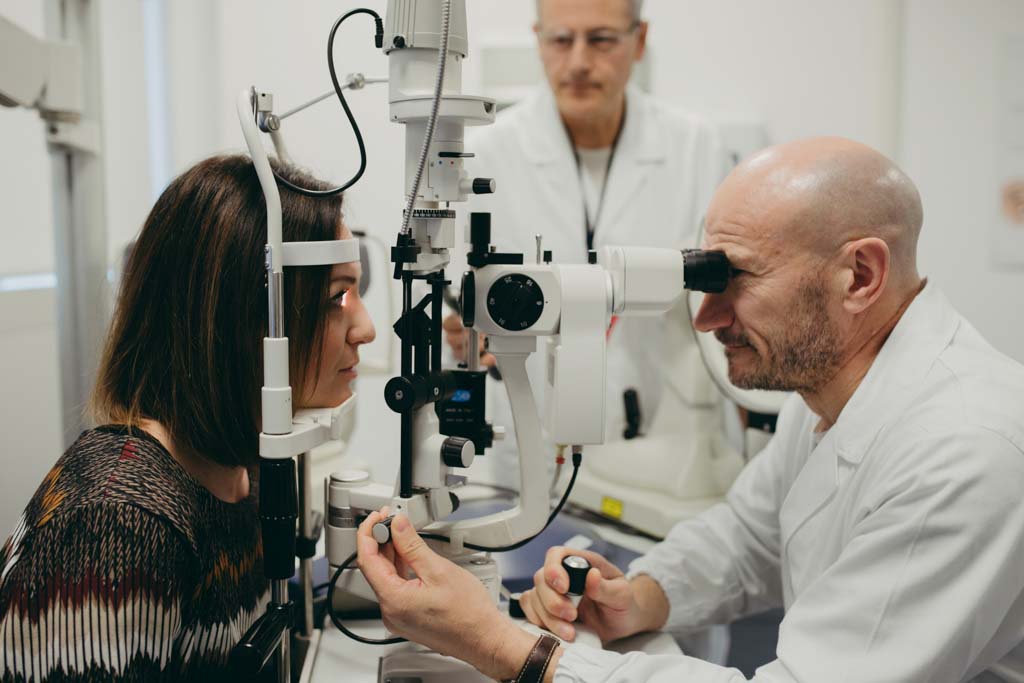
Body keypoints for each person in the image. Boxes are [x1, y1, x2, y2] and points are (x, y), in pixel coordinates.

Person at [356, 137, 1024, 682]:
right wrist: (641, 594)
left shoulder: (965, 451)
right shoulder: (837, 385)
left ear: (860, 276)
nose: (705, 317)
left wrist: (510, 647)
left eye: (736, 280)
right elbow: (748, 539)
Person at [0, 155, 375, 681]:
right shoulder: (118, 523)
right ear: (243, 317)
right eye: (337, 296)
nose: (366, 328)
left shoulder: (248, 469)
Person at [445, 0, 732, 486]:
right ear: (538, 40)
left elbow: (726, 302)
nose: (578, 62)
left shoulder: (695, 149)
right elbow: (456, 298)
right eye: (561, 40)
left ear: (638, 41)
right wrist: (461, 331)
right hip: (527, 441)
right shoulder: (491, 152)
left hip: (658, 446)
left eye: (601, 39)